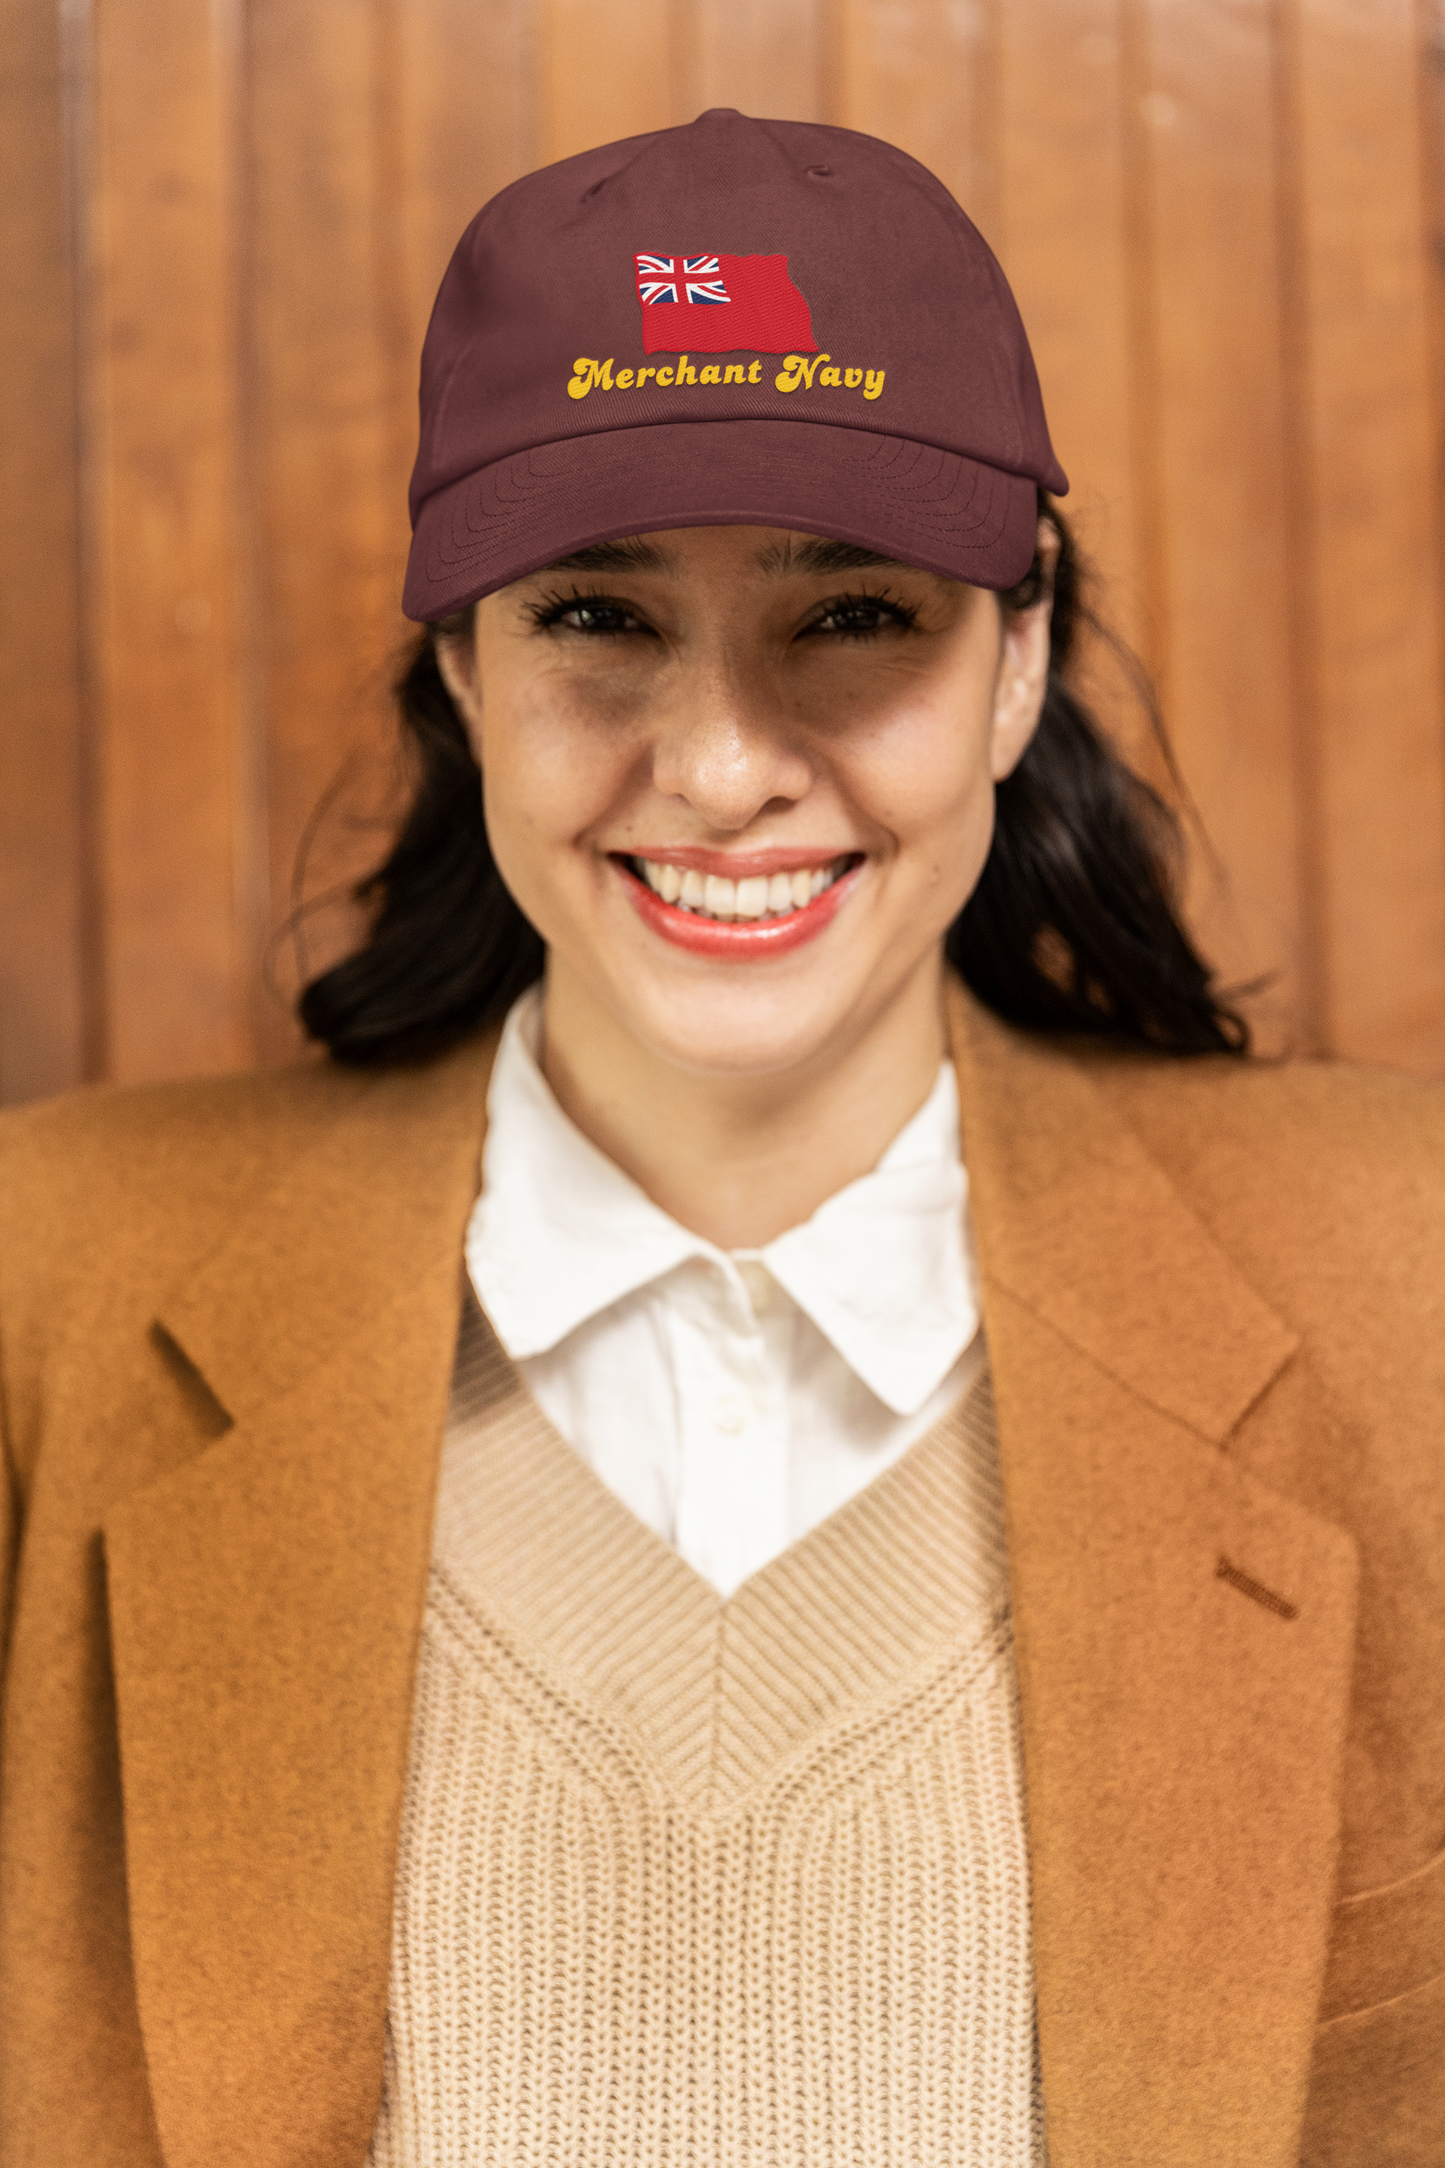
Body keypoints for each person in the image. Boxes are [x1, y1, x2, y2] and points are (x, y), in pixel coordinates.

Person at [1, 107, 1441, 2168]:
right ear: (459, 673)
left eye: (851, 615)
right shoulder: (47, 1294)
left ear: (1016, 658)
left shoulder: (1408, 1286)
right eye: (597, 615)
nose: (722, 765)